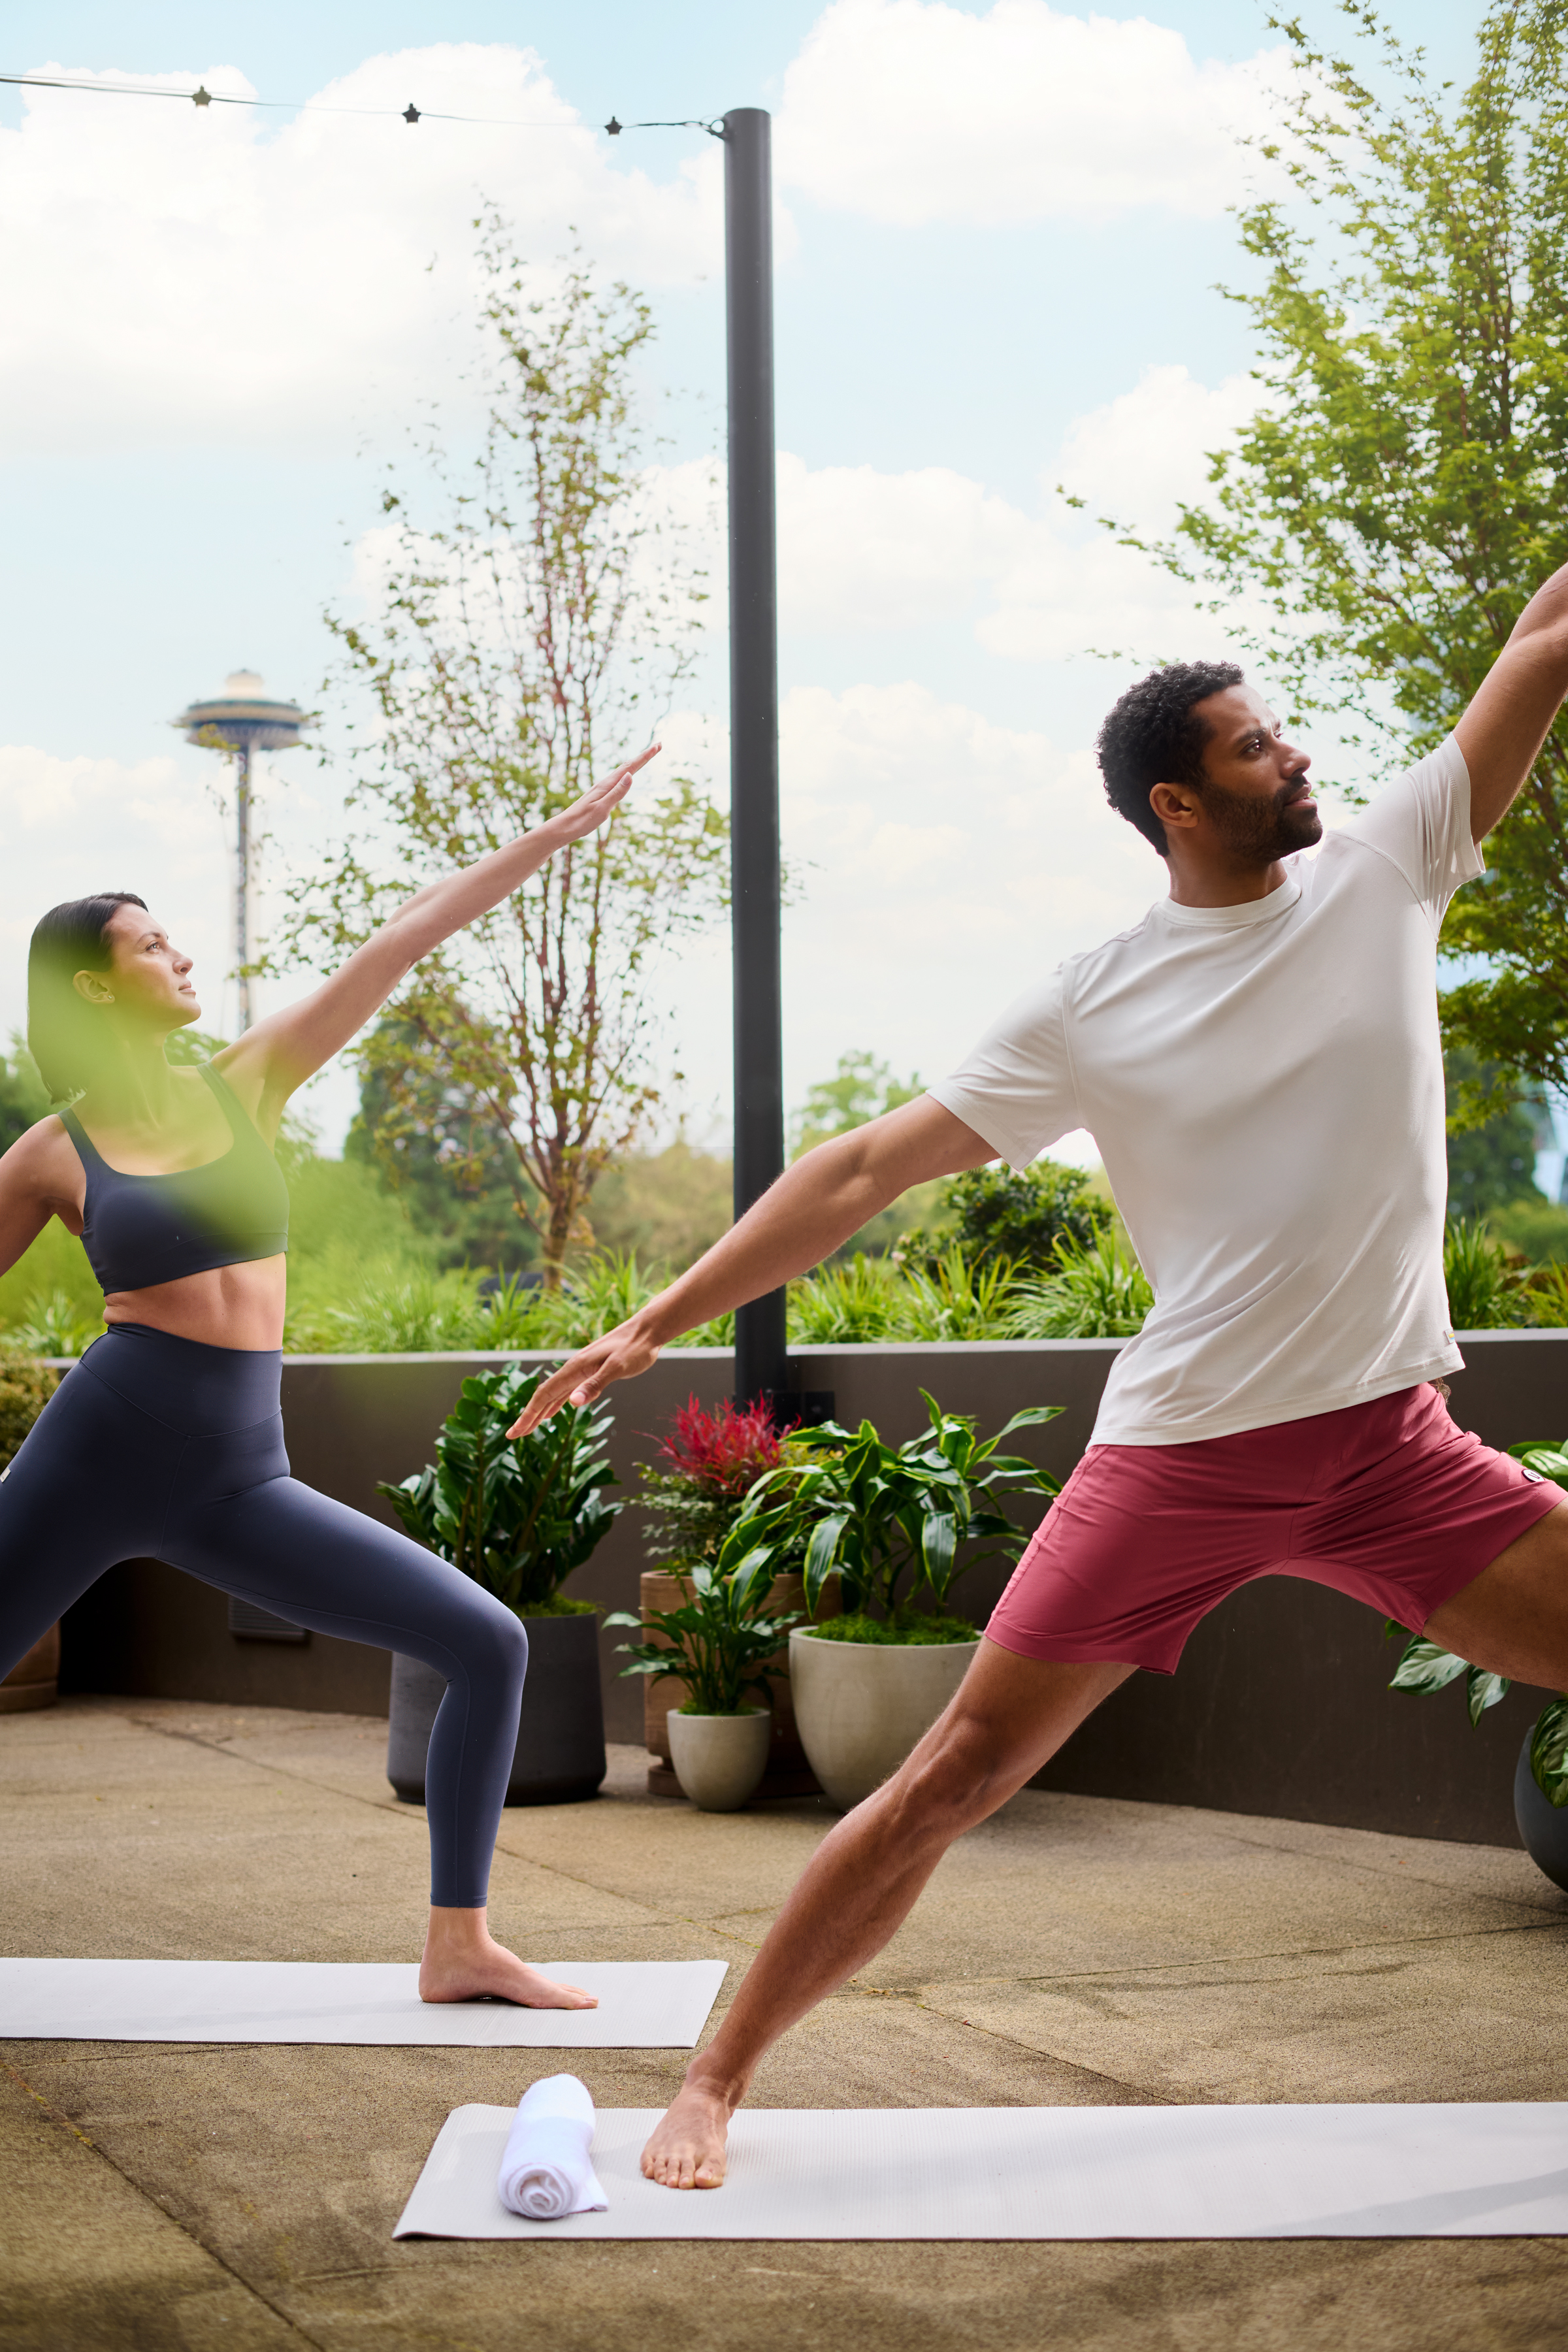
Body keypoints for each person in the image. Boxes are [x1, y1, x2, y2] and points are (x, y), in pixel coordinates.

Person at [515, 563, 1568, 2186]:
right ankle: (713, 2082)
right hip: (1189, 1455)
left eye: (1283, 735)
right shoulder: (1098, 999)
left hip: (1394, 1449)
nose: (1297, 759)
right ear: (1177, 800)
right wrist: (657, 1319)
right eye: (1255, 746)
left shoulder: (1389, 868)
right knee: (955, 1774)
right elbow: (865, 1167)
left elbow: (1543, 639)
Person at [0, 743, 659, 2010]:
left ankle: (459, 1943)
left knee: (486, 1641)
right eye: (153, 946)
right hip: (104, 1442)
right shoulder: (54, 1149)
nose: (180, 957)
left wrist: (550, 837)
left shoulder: (247, 1084)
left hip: (238, 1475)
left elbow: (400, 942)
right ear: (96, 985)